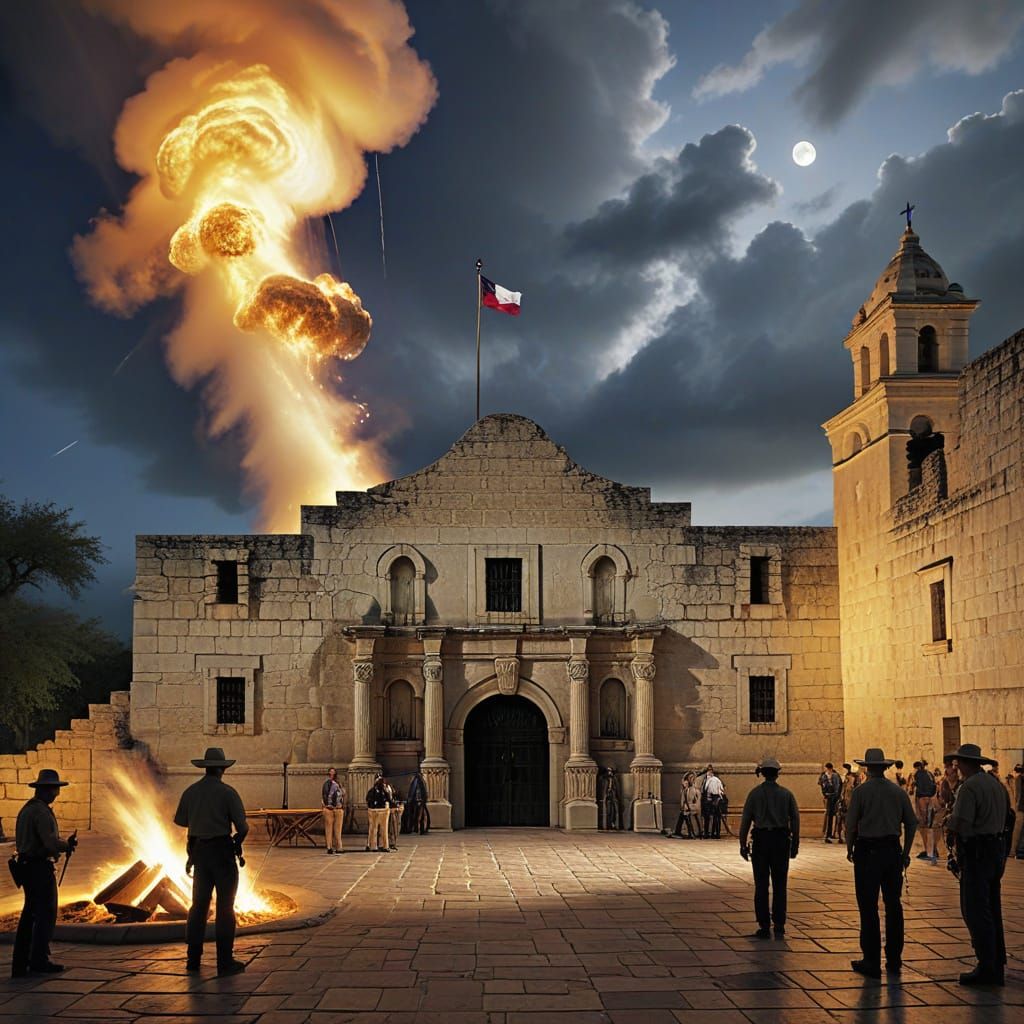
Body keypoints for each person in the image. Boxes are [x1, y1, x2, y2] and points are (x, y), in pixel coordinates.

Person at [173, 747, 248, 977]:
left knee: (198, 906)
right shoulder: (228, 793)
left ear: (205, 768)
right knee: (226, 907)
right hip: (222, 853)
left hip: (199, 853)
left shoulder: (191, 792)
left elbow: (183, 822)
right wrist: (237, 841)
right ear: (223, 769)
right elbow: (243, 827)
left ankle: (192, 959)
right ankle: (224, 962)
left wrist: (192, 852)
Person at [845, 747, 917, 979]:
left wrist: (849, 848)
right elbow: (911, 823)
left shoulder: (861, 792)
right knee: (893, 905)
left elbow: (851, 825)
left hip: (867, 851)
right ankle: (894, 959)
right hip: (892, 851)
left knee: (868, 907)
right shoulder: (898, 793)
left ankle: (871, 960)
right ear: (885, 767)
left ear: (867, 768)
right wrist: (905, 852)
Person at [945, 742, 1010, 986]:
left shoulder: (969, 787)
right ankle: (997, 962)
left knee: (974, 909)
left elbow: (961, 821)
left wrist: (950, 821)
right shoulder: (996, 785)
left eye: (958, 762)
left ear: (965, 764)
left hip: (977, 852)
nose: (956, 765)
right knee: (992, 907)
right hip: (996, 849)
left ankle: (986, 967)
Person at [11, 769, 77, 978]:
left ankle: (22, 961)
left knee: (30, 914)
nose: (56, 793)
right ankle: (39, 960)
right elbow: (49, 843)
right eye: (54, 789)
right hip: (39, 868)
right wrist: (66, 845)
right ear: (46, 790)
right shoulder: (41, 812)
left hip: (28, 866)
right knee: (44, 914)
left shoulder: (28, 810)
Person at [739, 757, 799, 939]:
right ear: (777, 774)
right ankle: (779, 923)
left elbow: (746, 820)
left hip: (761, 840)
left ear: (762, 773)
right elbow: (795, 819)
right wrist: (795, 843)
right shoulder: (786, 794)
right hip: (781, 840)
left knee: (761, 884)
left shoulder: (754, 794)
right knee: (780, 884)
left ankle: (764, 925)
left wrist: (742, 843)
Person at [910, 760, 938, 863]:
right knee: (929, 824)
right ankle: (932, 850)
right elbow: (934, 784)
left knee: (924, 825)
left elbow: (912, 787)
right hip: (931, 798)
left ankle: (928, 851)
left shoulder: (916, 774)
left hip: (921, 797)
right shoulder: (929, 773)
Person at [321, 767, 346, 855]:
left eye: (333, 773)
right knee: (329, 828)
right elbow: (324, 795)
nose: (332, 775)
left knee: (338, 829)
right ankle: (329, 847)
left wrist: (342, 805)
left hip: (338, 808)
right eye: (330, 773)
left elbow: (343, 794)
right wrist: (326, 805)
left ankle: (339, 846)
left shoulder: (339, 784)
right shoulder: (326, 784)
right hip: (329, 809)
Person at [365, 776, 390, 852]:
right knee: (375, 829)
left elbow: (388, 798)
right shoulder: (376, 791)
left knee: (379, 829)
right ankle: (375, 846)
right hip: (377, 811)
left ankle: (381, 845)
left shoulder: (381, 790)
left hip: (378, 810)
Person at [818, 762, 841, 843]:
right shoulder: (824, 776)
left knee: (834, 815)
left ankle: (832, 833)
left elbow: (838, 787)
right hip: (828, 798)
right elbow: (822, 785)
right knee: (828, 815)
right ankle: (827, 834)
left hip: (833, 798)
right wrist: (825, 794)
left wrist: (835, 796)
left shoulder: (835, 775)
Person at [837, 764, 859, 844]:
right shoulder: (845, 780)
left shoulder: (852, 780)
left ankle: (849, 837)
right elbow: (842, 791)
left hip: (850, 804)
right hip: (844, 803)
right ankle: (842, 836)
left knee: (849, 821)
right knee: (841, 820)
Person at [702, 768, 725, 839]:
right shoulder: (717, 780)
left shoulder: (711, 780)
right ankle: (715, 833)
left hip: (711, 800)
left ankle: (708, 834)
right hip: (716, 799)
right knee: (716, 818)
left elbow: (705, 790)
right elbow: (722, 790)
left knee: (708, 818)